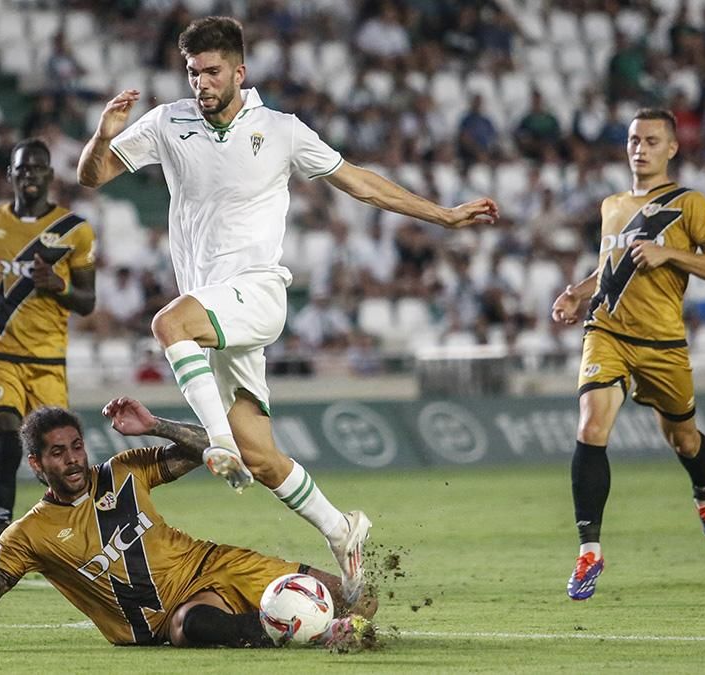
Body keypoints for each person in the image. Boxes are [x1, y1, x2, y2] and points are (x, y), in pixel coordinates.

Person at [75, 16, 498, 603]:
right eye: (193, 72)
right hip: (216, 314)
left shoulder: (281, 130)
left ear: (239, 72)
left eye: (212, 71)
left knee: (168, 323)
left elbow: (360, 182)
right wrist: (103, 135)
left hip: (257, 292)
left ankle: (217, 442)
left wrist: (444, 216)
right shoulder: (168, 122)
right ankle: (340, 528)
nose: (201, 82)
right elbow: (92, 176)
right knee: (263, 457)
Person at [0, 399, 375, 654]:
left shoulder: (125, 470)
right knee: (190, 627)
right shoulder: (29, 536)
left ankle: (324, 622)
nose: (72, 459)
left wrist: (154, 425)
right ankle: (303, 633)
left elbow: (214, 449)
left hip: (215, 564)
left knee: (359, 599)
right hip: (167, 616)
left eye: (76, 446)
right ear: (36, 464)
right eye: (57, 453)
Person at [550, 109, 705, 601]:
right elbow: (611, 267)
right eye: (634, 139)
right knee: (591, 425)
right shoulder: (612, 205)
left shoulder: (689, 202)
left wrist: (670, 253)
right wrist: (576, 293)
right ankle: (590, 550)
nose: (640, 148)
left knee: (685, 440)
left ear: (671, 148)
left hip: (662, 343)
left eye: (652, 141)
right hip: (607, 331)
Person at [0, 138, 97, 549]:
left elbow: (87, 302)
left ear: (50, 174)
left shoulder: (75, 230)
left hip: (47, 358)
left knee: (57, 455)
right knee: (5, 435)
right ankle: (1, 542)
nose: (29, 175)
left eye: (37, 168)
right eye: (22, 169)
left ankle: (75, 535)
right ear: (10, 175)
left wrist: (58, 286)